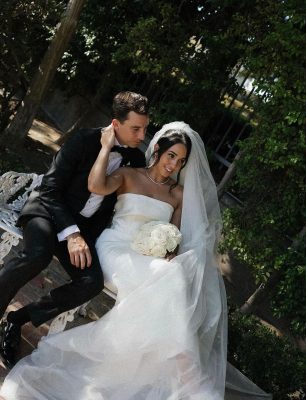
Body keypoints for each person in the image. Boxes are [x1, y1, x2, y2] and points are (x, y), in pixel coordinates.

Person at [0, 122, 271, 399]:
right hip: (114, 248)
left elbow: (174, 238)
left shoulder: (177, 194)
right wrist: (106, 147)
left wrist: (167, 251)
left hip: (146, 258)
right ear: (157, 150)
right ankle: (189, 376)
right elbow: (96, 184)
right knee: (168, 284)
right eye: (171, 156)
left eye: (180, 161)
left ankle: (176, 368)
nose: (173, 165)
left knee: (173, 275)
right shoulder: (129, 174)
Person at [0, 91, 149, 369]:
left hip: (84, 233)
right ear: (116, 124)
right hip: (47, 214)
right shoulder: (82, 140)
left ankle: (17, 320)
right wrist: (73, 234)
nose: (142, 135)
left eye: (145, 128)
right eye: (136, 128)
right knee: (37, 254)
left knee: (91, 281)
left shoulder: (136, 161)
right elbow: (50, 190)